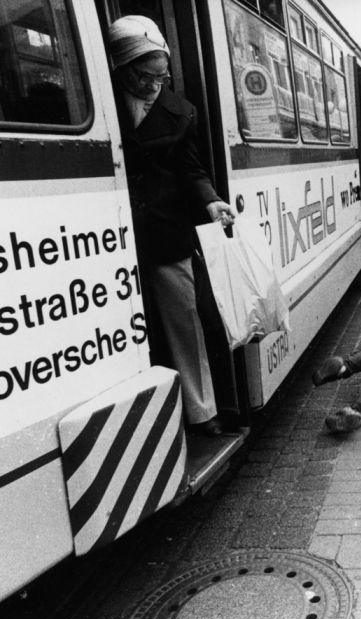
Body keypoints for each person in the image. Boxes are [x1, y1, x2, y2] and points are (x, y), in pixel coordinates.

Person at [108, 15, 235, 436]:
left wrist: (211, 200)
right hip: (110, 234)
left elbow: (191, 169)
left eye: (161, 77)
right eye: (144, 77)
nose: (153, 86)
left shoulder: (181, 112)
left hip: (165, 231)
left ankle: (201, 410)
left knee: (184, 319)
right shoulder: (99, 100)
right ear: (121, 68)